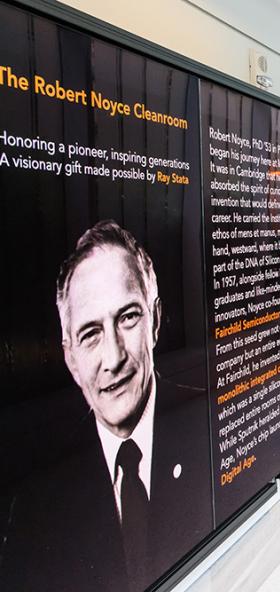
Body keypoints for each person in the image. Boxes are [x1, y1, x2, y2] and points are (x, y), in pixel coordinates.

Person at [0, 220, 212, 592]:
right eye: (90, 334)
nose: (112, 358)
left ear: (156, 320)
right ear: (70, 359)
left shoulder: (208, 421)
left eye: (128, 317)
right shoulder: (36, 504)